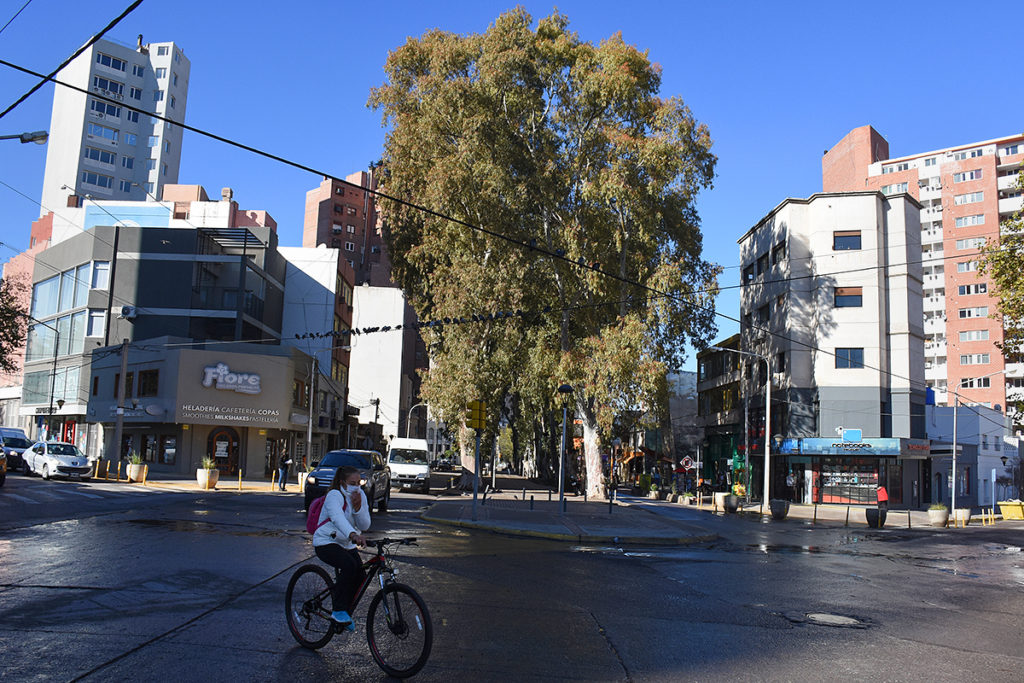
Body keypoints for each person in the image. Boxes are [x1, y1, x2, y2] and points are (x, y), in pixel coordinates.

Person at [313, 466, 371, 628]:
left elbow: (365, 525)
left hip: (346, 544)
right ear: (342, 483)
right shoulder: (334, 495)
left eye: (359, 482)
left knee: (361, 576)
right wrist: (353, 535)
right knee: (349, 566)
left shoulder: (360, 495)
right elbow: (338, 518)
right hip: (326, 542)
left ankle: (345, 611)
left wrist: (359, 509)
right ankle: (338, 610)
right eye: (352, 483)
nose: (356, 486)